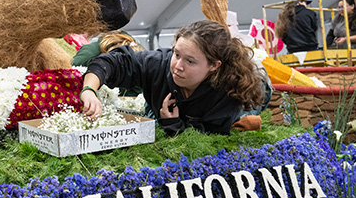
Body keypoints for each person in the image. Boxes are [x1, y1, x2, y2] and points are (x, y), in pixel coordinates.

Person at [80, 20, 265, 136]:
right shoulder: (159, 63)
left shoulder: (228, 92)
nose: (178, 66)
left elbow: (209, 139)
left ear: (214, 65)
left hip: (255, 87)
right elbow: (112, 62)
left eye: (190, 61)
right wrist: (89, 90)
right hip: (161, 108)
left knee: (251, 107)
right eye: (177, 54)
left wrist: (173, 125)